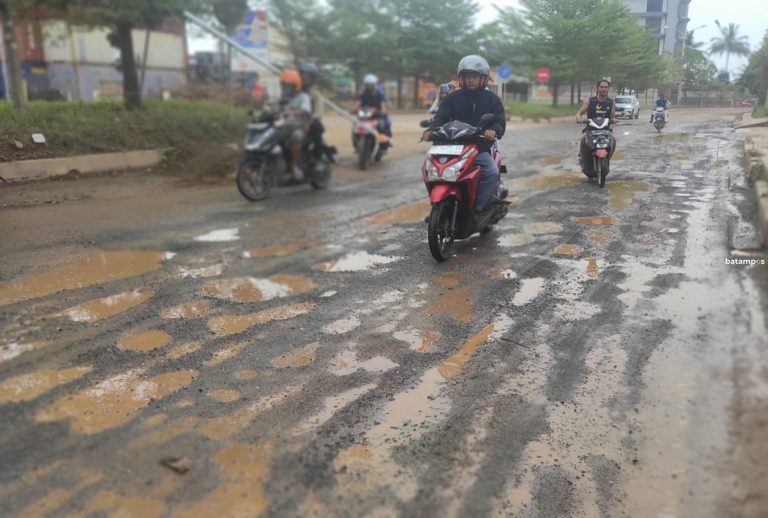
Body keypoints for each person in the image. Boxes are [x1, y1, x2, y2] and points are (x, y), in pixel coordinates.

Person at [423, 55, 506, 216]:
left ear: (483, 78)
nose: (471, 80)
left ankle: (479, 209)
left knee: (491, 173)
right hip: (453, 146)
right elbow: (441, 117)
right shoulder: (453, 98)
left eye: (475, 76)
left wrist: (493, 130)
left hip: (479, 146)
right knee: (432, 168)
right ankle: (438, 206)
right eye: (468, 76)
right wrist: (431, 130)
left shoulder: (492, 99)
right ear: (462, 78)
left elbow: (499, 120)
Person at [277, 69, 311, 181]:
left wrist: (291, 112)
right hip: (285, 128)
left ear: (295, 86)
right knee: (270, 135)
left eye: (288, 86)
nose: (285, 88)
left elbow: (305, 110)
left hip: (298, 128)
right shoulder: (283, 99)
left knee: (297, 136)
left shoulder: (304, 97)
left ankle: (294, 166)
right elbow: (276, 110)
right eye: (283, 85)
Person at [575, 79, 617, 165]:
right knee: (583, 139)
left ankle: (608, 159)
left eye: (606, 87)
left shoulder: (611, 102)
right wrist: (579, 118)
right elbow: (579, 113)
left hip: (606, 129)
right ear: (598, 88)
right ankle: (582, 157)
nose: (603, 89)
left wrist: (614, 120)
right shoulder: (590, 101)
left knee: (614, 139)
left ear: (609, 89)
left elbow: (612, 117)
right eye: (601, 87)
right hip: (590, 129)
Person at [298, 62, 326, 158]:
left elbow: (318, 112)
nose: (304, 78)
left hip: (310, 121)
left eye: (308, 76)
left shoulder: (315, 94)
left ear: (313, 79)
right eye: (303, 75)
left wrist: (309, 122)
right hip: (294, 120)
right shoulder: (294, 90)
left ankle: (317, 158)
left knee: (316, 128)